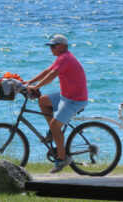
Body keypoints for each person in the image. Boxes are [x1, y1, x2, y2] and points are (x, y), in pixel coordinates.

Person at [25, 34, 88, 173]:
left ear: (62, 46)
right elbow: (47, 71)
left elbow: (52, 76)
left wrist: (35, 87)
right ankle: (54, 132)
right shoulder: (62, 58)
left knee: (54, 125)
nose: (51, 49)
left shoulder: (65, 58)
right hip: (65, 96)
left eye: (53, 46)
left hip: (75, 100)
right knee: (43, 101)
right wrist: (29, 82)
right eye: (50, 46)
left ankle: (62, 158)